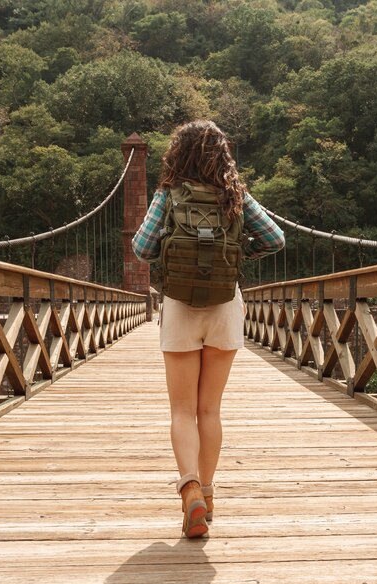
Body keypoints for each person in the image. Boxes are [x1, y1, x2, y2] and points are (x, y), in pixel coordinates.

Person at [132, 120, 285, 538]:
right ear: (224, 155)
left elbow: (142, 248)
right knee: (209, 410)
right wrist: (237, 257)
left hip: (180, 306)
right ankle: (210, 494)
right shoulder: (236, 195)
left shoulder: (167, 194)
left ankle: (190, 491)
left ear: (176, 155)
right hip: (224, 306)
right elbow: (276, 239)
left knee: (182, 410)